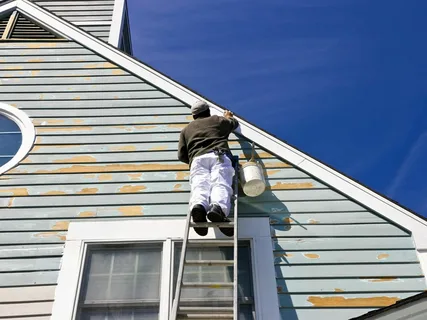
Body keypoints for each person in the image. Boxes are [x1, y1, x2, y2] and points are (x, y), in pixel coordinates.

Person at [178, 101, 239, 237]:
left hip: (197, 160)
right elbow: (233, 124)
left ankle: (199, 206)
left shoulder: (186, 130)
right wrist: (228, 116)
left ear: (194, 116)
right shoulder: (217, 120)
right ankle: (217, 209)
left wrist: (194, 158)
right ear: (208, 112)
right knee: (220, 183)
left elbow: (181, 155)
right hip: (218, 155)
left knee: (200, 186)